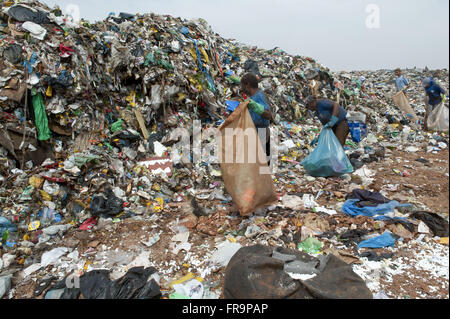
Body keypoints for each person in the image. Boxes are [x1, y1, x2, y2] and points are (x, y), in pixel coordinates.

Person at [240, 73, 273, 162]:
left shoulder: (260, 96)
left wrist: (256, 107)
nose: (241, 88)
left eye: (242, 85)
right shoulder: (252, 98)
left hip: (261, 132)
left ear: (248, 85)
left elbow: (269, 115)